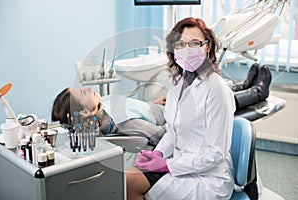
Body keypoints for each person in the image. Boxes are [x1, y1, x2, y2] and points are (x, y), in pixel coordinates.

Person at [126, 17, 236, 200]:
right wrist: (157, 154)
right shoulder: (178, 85)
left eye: (195, 43)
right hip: (180, 166)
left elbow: (215, 153)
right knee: (127, 180)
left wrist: (166, 166)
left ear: (207, 47)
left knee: (130, 182)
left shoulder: (217, 88)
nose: (187, 50)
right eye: (180, 44)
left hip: (208, 178)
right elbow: (171, 132)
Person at [51, 87, 166, 145]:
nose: (88, 89)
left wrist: (151, 105)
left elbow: (132, 108)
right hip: (170, 119)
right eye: (83, 93)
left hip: (158, 108)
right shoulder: (122, 121)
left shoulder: (102, 108)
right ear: (85, 112)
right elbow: (159, 135)